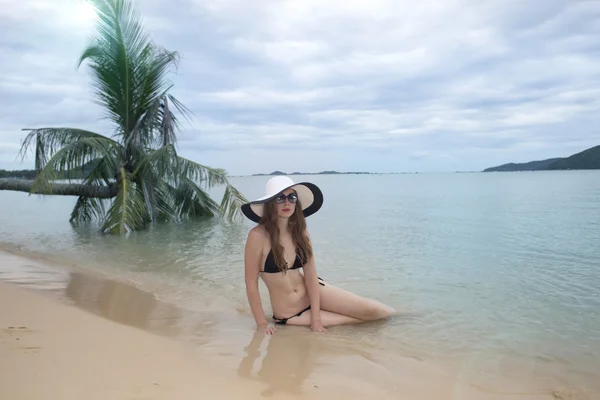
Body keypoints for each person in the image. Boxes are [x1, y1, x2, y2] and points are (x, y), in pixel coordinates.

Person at [242, 176, 395, 335]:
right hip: (290, 313)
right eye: (280, 198)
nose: (287, 203)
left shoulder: (300, 232)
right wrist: (262, 324)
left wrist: (316, 318)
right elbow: (251, 282)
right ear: (270, 203)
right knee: (359, 321)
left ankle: (410, 317)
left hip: (315, 293)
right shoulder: (257, 236)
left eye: (292, 197)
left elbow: (310, 275)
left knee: (377, 312)